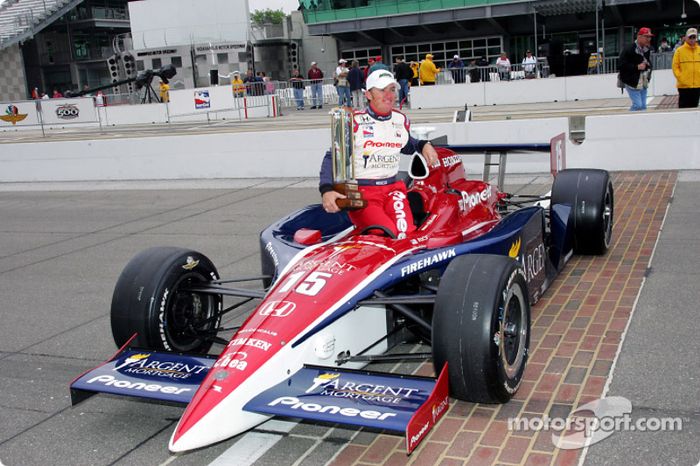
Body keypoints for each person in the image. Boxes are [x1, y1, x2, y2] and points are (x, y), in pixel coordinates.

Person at [318, 70, 439, 239]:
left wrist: (423, 144)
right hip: (364, 193)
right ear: (368, 94)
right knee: (387, 234)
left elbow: (405, 144)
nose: (389, 95)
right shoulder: (353, 121)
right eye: (382, 90)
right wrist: (326, 190)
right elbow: (333, 157)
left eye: (392, 89)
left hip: (393, 189)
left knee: (406, 234)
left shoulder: (400, 119)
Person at [618, 27, 653, 111]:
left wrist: (648, 67)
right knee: (638, 105)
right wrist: (637, 67)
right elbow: (621, 65)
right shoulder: (629, 49)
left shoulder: (646, 49)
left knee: (643, 106)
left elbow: (648, 62)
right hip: (631, 81)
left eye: (650, 37)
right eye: (646, 36)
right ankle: (628, 119)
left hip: (643, 80)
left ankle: (641, 123)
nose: (649, 39)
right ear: (639, 37)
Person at [672, 27, 700, 108]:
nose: (692, 39)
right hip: (684, 86)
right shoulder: (679, 51)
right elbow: (675, 67)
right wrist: (682, 78)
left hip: (697, 85)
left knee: (694, 108)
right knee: (683, 108)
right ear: (686, 38)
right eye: (690, 37)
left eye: (694, 37)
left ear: (696, 38)